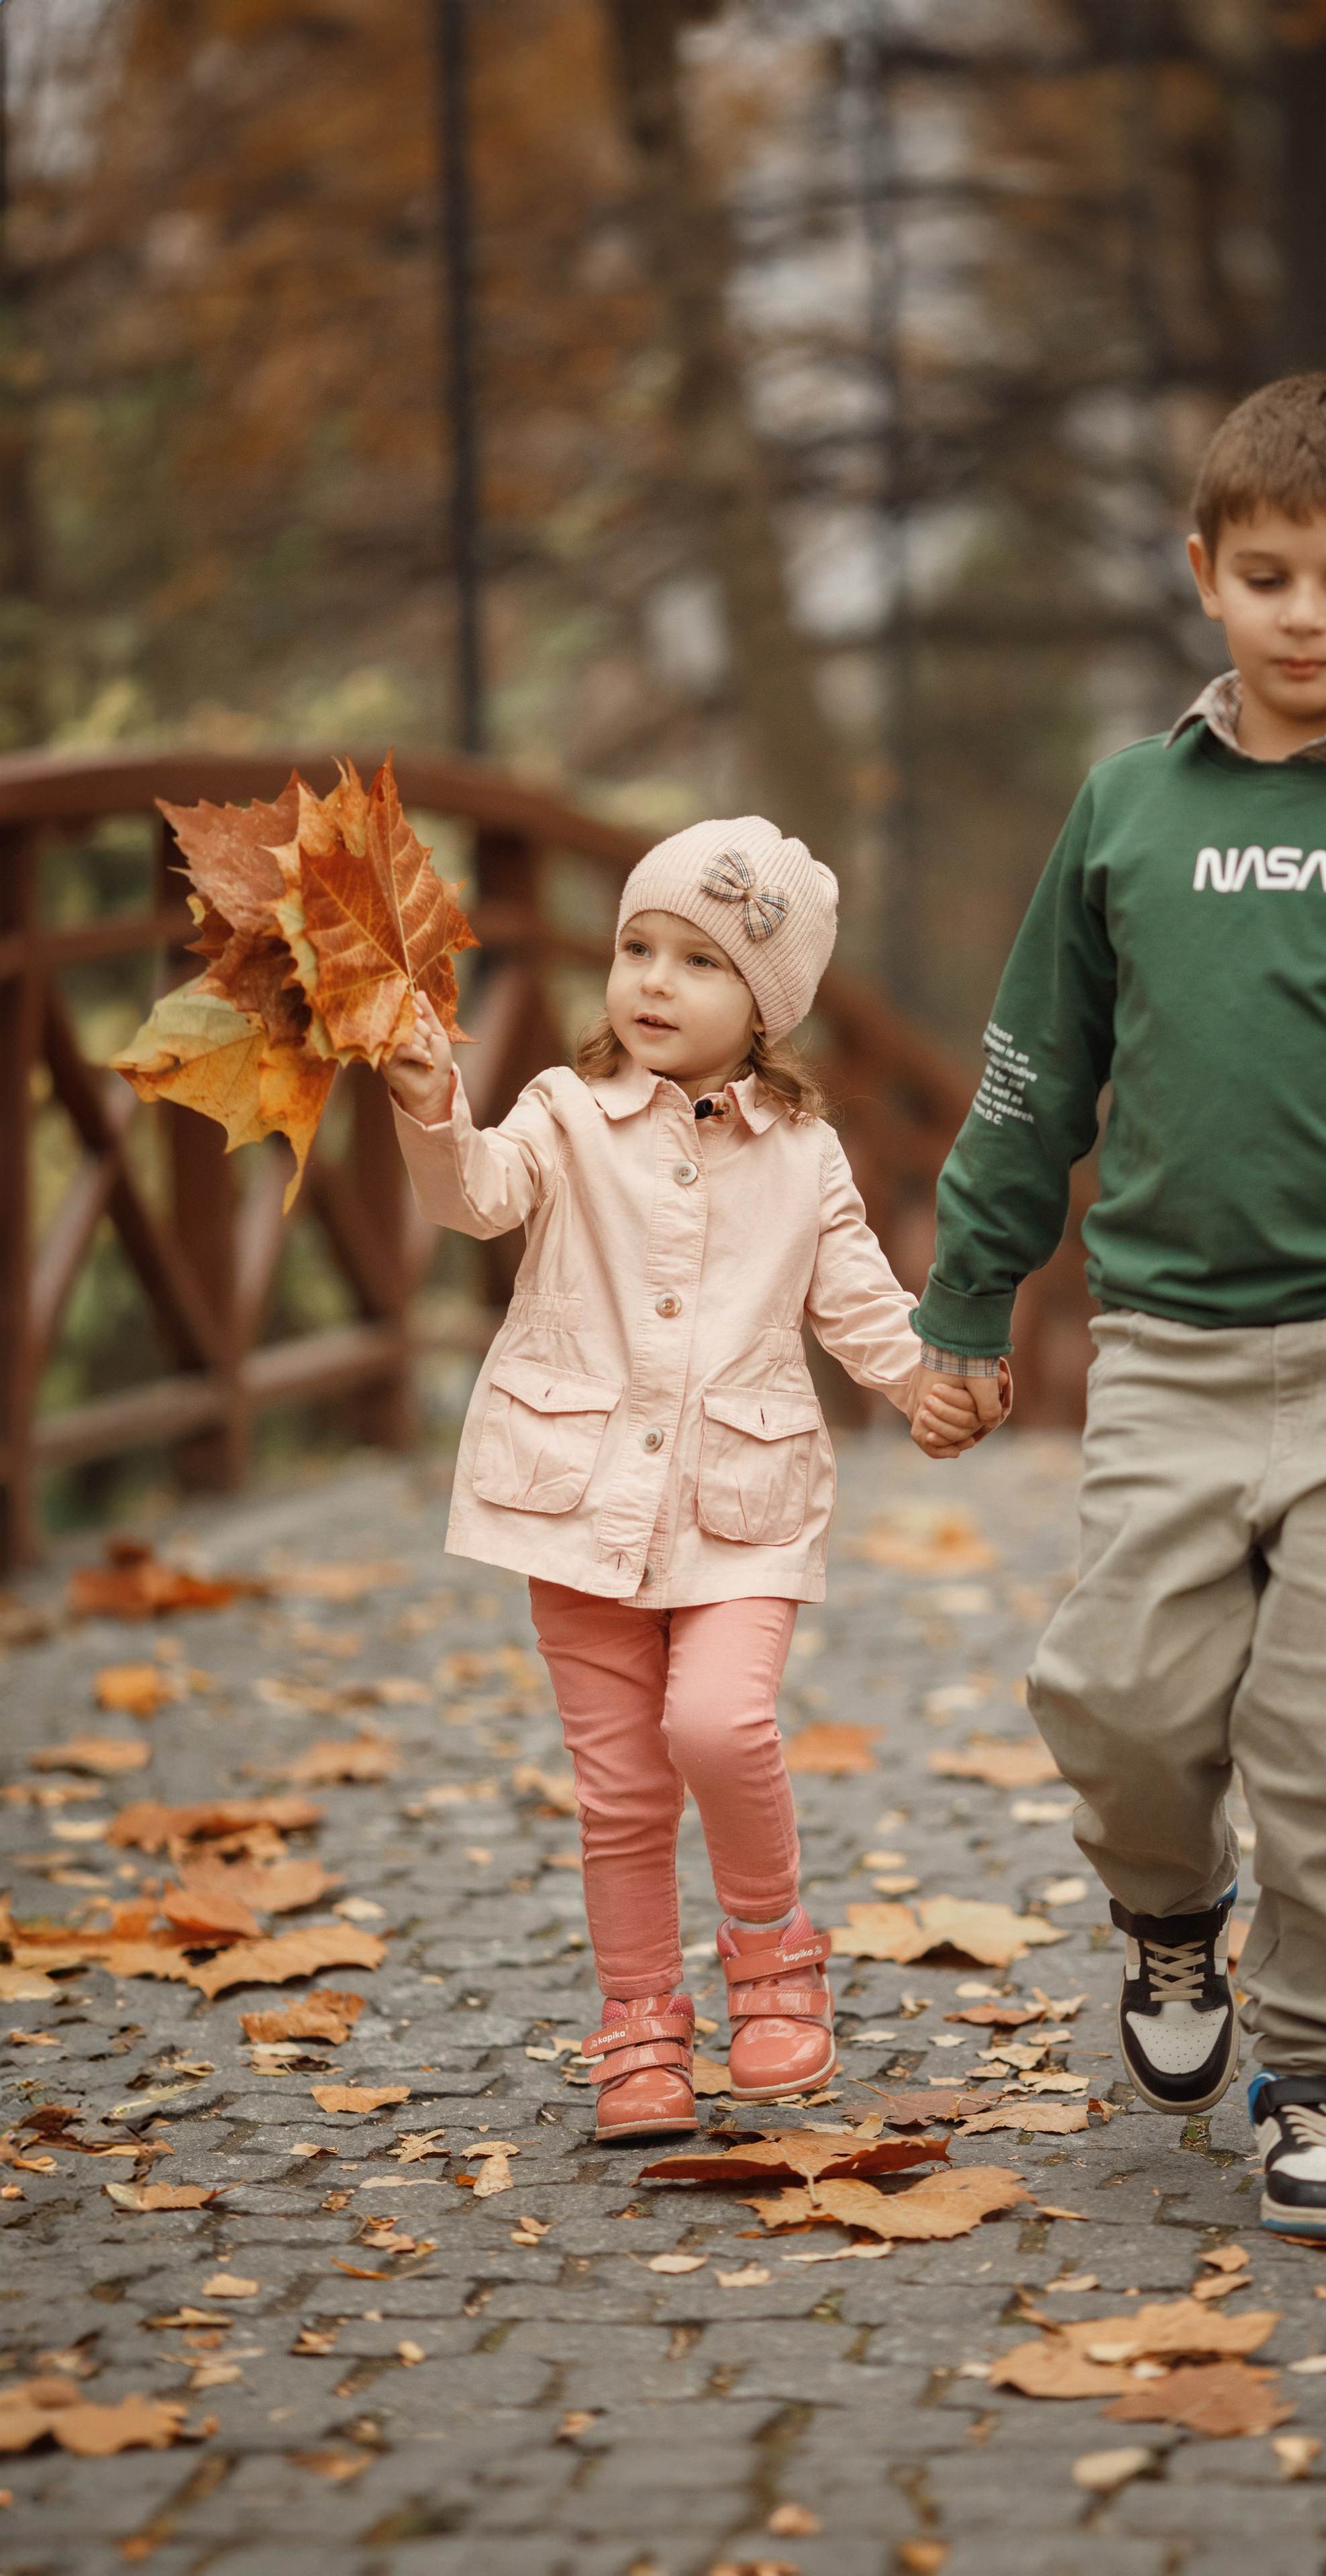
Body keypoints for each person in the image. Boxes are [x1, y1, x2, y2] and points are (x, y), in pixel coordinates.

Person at [911, 371, 1326, 2241]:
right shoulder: (1129, 807)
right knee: (1115, 1695)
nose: (1308, 615)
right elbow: (1033, 1073)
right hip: (1172, 1357)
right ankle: (1165, 1919)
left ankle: (1323, 2072)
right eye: (1270, 575)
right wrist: (968, 1307)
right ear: (1204, 572)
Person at [383, 816, 964, 2143]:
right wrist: (430, 1100)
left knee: (715, 1725)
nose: (650, 980)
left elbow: (857, 1306)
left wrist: (933, 1376)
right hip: (573, 1502)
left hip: (739, 1507)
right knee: (622, 1788)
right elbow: (473, 1198)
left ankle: (771, 1952)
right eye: (635, 946)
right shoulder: (563, 1114)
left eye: (696, 962)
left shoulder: (802, 1151)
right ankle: (640, 2018)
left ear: (761, 1006)